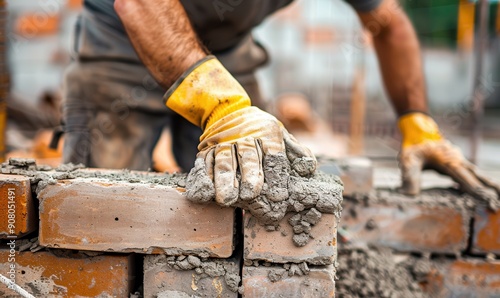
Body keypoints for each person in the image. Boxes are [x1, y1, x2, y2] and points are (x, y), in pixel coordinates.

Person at [61, 0, 499, 207]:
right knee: (102, 197)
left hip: (228, 51)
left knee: (255, 186)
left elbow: (390, 25)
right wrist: (225, 107)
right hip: (121, 47)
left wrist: (418, 125)